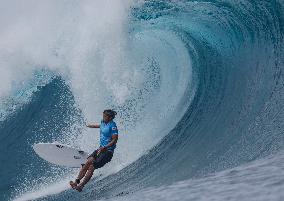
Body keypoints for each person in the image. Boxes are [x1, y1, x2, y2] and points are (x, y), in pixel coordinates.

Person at [69, 109, 118, 192]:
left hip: (107, 152)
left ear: (110, 118)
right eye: (103, 115)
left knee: (92, 167)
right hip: (100, 149)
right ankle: (76, 182)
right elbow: (101, 126)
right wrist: (90, 126)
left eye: (105, 116)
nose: (103, 117)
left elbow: (115, 140)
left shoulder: (113, 126)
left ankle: (81, 186)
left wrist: (106, 146)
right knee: (88, 162)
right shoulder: (103, 122)